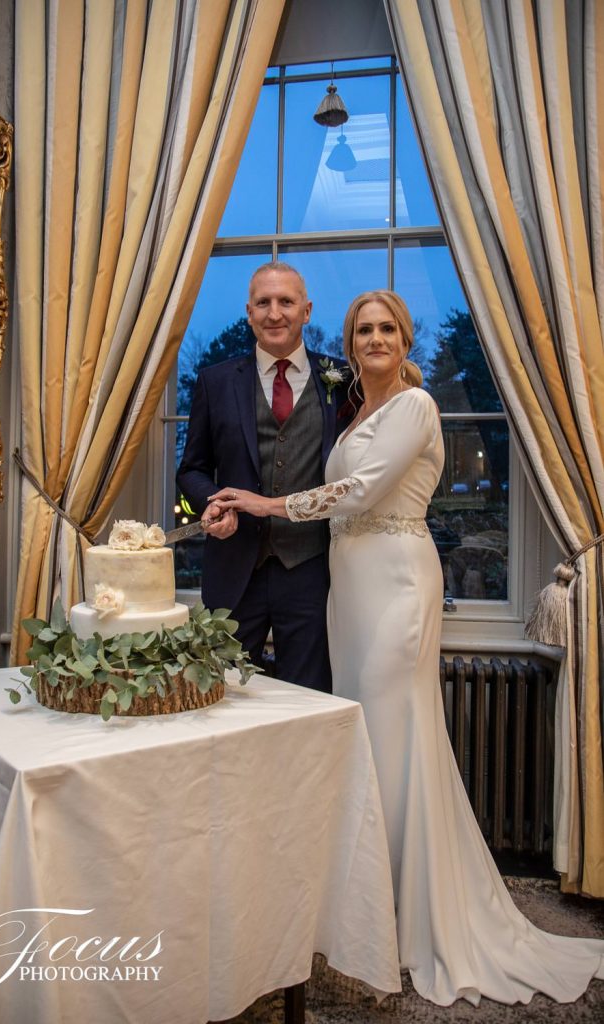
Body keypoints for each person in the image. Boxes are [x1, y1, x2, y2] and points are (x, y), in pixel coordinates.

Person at [210, 290, 604, 1006]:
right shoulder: (352, 409)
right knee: (366, 736)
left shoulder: (415, 407)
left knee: (396, 736)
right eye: (362, 329)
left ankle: (409, 916)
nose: (373, 339)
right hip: (348, 591)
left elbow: (359, 492)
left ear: (405, 338)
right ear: (350, 342)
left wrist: (267, 505)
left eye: (386, 327)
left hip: (395, 585)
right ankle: (369, 902)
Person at [176, 262, 352, 692]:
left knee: (308, 697)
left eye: (286, 302)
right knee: (224, 695)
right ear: (249, 312)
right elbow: (192, 470)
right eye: (263, 303)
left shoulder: (343, 379)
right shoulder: (215, 382)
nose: (275, 313)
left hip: (313, 568)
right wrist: (212, 500)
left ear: (306, 311)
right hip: (235, 568)